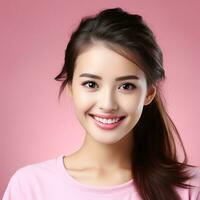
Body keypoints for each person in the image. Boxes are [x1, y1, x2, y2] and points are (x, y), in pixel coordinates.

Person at [3, 7, 200, 200]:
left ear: (148, 94)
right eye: (91, 84)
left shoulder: (191, 188)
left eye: (126, 86)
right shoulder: (30, 186)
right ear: (71, 88)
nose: (107, 104)